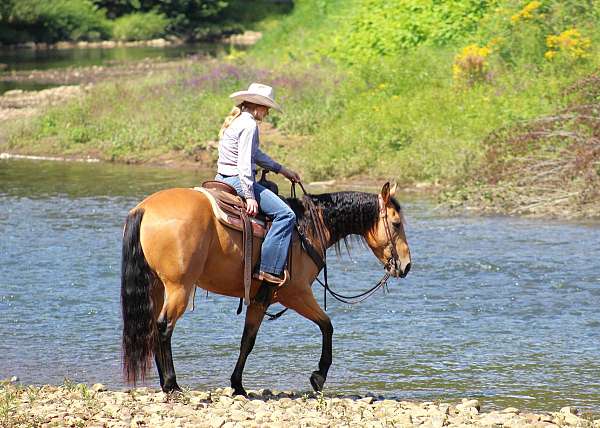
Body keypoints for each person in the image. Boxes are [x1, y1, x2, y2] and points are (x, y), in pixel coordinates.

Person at [215, 82, 301, 286]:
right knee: (286, 215)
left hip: (221, 178)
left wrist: (282, 170)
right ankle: (268, 270)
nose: (268, 112)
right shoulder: (250, 125)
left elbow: (255, 155)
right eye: (267, 108)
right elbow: (244, 164)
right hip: (238, 180)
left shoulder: (238, 121)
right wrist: (250, 196)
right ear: (258, 106)